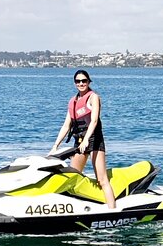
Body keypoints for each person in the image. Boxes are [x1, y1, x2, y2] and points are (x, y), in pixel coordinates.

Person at [50, 69, 116, 209]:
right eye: (78, 81)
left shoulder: (93, 97)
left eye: (84, 81)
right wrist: (55, 146)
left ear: (88, 82)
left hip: (94, 140)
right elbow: (66, 125)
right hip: (79, 142)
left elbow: (94, 121)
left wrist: (87, 139)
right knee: (72, 177)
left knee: (102, 179)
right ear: (75, 83)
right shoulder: (72, 102)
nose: (81, 83)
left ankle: (113, 210)